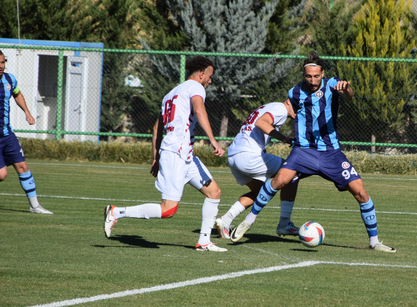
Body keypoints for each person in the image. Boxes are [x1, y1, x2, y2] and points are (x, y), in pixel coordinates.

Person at [229, 52, 396, 253]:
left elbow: (348, 96)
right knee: (279, 181)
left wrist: (347, 88)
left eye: (316, 76)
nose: (313, 80)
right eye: (309, 76)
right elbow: (290, 113)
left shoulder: (332, 83)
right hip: (303, 152)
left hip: (331, 154)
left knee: (361, 192)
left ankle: (374, 242)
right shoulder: (294, 93)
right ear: (304, 74)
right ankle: (248, 222)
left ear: (322, 73)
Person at [104, 56, 227, 252]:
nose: (210, 81)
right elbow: (200, 110)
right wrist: (213, 140)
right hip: (176, 153)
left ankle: (204, 242)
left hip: (182, 154)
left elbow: (156, 128)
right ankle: (116, 212)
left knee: (214, 192)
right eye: (210, 76)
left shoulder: (170, 94)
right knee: (168, 209)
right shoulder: (196, 88)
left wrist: (156, 157)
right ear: (202, 74)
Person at [214, 99, 300, 239]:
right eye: (297, 107)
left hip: (234, 155)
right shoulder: (281, 109)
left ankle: (226, 220)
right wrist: (284, 139)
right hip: (249, 156)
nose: (297, 113)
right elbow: (261, 123)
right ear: (289, 101)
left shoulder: (269, 106)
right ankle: (284, 223)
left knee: (260, 193)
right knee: (293, 173)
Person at [0, 50, 53, 215]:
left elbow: (17, 94)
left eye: (3, 62)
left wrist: (27, 113)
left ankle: (35, 206)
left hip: (7, 135)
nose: (0, 66)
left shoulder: (9, 79)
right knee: (2, 175)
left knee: (22, 166)